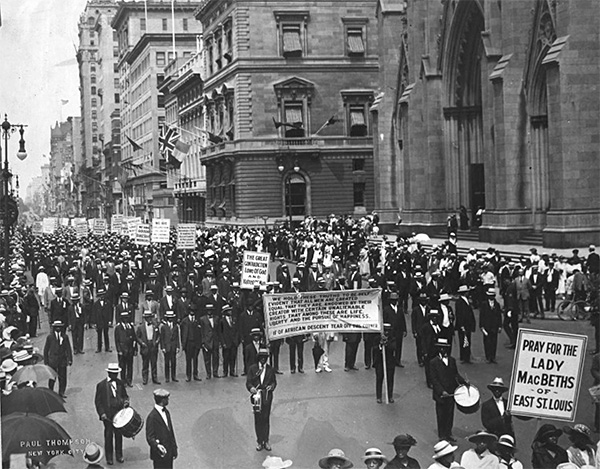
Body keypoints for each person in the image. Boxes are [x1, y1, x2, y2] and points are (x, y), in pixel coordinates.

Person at [430, 337, 467, 442]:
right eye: (441, 348)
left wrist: (464, 382)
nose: (443, 350)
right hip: (441, 395)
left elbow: (456, 375)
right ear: (438, 349)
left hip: (451, 393)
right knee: (441, 414)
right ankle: (442, 435)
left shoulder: (452, 360)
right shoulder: (433, 362)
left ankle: (448, 433)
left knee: (450, 414)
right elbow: (434, 380)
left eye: (445, 348)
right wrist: (442, 391)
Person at [94, 363, 129, 466]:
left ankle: (119, 455)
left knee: (119, 435)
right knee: (108, 436)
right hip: (108, 416)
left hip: (119, 414)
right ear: (109, 373)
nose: (116, 375)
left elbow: (125, 396)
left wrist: (126, 402)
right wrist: (102, 413)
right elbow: (98, 402)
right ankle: (109, 457)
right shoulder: (101, 385)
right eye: (114, 373)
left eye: (116, 373)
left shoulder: (120, 383)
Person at [246, 347, 277, 451]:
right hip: (257, 397)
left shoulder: (270, 369)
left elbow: (274, 382)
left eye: (265, 357)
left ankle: (266, 440)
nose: (263, 359)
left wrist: (272, 387)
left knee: (266, 418)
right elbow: (248, 382)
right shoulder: (253, 369)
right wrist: (251, 388)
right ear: (258, 358)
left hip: (267, 396)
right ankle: (259, 441)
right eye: (261, 357)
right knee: (258, 419)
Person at [146, 388, 178, 469]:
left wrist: (174, 448)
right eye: (166, 398)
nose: (168, 400)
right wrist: (157, 445)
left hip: (169, 452)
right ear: (162, 400)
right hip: (159, 454)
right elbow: (150, 437)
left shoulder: (166, 412)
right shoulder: (152, 417)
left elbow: (170, 432)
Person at [43, 320, 72, 398]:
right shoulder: (50, 337)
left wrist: (70, 359)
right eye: (57, 327)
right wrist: (46, 360)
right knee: (52, 377)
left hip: (62, 359)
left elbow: (68, 348)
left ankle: (61, 392)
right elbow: (46, 349)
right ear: (54, 328)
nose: (58, 328)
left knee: (63, 377)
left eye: (60, 327)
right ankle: (51, 391)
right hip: (52, 360)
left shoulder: (65, 336)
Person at [136, 310, 161, 385]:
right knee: (145, 363)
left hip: (153, 345)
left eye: (150, 317)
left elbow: (159, 335)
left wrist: (157, 341)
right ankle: (145, 378)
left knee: (154, 363)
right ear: (145, 318)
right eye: (148, 318)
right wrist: (142, 343)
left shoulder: (155, 325)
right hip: (145, 346)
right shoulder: (141, 327)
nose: (150, 319)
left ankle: (154, 378)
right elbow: (137, 337)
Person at [374, 323, 396, 403]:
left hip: (390, 362)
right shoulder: (377, 338)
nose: (386, 333)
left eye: (388, 331)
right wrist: (380, 345)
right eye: (385, 331)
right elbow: (374, 348)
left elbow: (393, 347)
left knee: (390, 379)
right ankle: (379, 397)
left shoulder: (392, 338)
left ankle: (390, 396)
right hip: (379, 362)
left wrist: (386, 344)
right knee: (379, 379)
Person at [479, 288, 503, 364]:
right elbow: (481, 316)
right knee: (487, 342)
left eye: (492, 296)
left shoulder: (497, 305)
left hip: (494, 326)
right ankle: (488, 357)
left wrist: (499, 326)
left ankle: (493, 357)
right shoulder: (484, 304)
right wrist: (481, 326)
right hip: (486, 326)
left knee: (494, 342)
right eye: (490, 296)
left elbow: (499, 316)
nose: (491, 297)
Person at [114, 311, 137, 387]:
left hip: (130, 350)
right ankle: (123, 381)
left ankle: (129, 380)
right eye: (124, 318)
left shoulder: (131, 327)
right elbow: (116, 340)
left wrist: (135, 349)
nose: (126, 320)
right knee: (122, 366)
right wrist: (119, 350)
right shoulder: (118, 328)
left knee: (130, 366)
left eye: (127, 318)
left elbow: (134, 338)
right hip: (122, 350)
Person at [180, 307, 202, 382]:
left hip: (196, 342)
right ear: (188, 311)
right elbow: (182, 333)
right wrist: (183, 343)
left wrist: (200, 343)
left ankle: (195, 374)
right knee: (188, 360)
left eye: (193, 311)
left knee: (195, 359)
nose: (192, 312)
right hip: (188, 342)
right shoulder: (184, 321)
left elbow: (200, 332)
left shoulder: (198, 320)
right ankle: (188, 375)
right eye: (191, 311)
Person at [455, 285, 475, 364]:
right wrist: (461, 325)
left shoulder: (466, 300)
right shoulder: (459, 302)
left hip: (468, 324)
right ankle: (464, 357)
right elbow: (459, 314)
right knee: (464, 340)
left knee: (467, 340)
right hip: (463, 324)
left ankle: (466, 356)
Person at [200, 304, 221, 379]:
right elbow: (201, 332)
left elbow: (218, 330)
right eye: (208, 310)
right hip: (207, 341)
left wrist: (219, 341)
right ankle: (208, 373)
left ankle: (215, 372)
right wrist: (203, 342)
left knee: (216, 357)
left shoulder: (216, 318)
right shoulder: (202, 319)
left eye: (211, 310)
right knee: (207, 359)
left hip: (215, 340)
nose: (209, 312)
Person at [93, 287, 113, 353]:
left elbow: (110, 312)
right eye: (100, 295)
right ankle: (99, 348)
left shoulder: (108, 302)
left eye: (102, 295)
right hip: (99, 321)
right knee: (99, 335)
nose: (101, 296)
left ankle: (107, 347)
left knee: (106, 334)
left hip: (105, 321)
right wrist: (95, 323)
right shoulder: (96, 304)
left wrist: (110, 320)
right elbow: (94, 314)